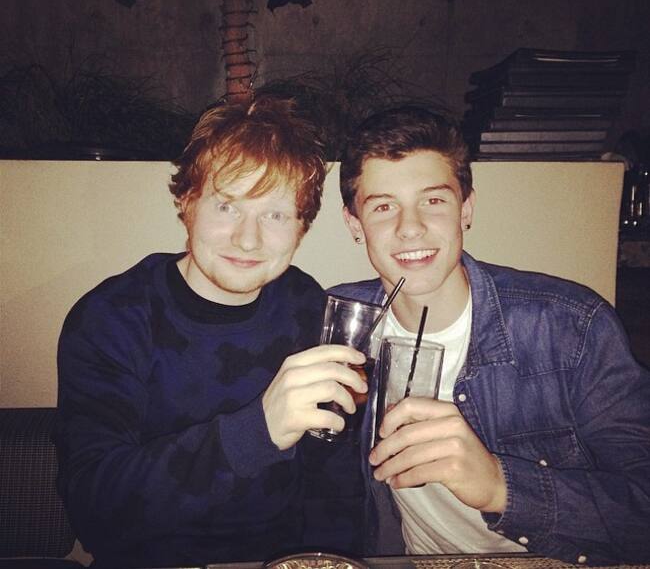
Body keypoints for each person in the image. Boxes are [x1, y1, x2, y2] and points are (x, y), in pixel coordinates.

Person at [330, 106, 650, 566]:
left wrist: (500, 485)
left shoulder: (569, 325)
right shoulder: (340, 325)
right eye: (383, 206)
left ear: (466, 209)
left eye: (433, 201)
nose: (410, 227)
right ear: (354, 225)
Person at [55, 97, 367, 568]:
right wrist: (257, 432)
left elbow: (333, 479)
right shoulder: (112, 318)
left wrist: (332, 559)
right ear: (187, 204)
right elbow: (93, 511)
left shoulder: (306, 305)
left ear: (302, 227)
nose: (248, 239)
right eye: (226, 206)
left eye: (275, 215)